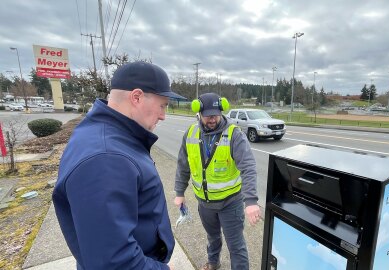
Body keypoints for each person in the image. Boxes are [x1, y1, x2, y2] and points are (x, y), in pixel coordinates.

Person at [53, 61, 185, 270]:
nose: (163, 115)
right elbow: (113, 262)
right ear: (137, 97)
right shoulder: (107, 158)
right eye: (162, 105)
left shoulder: (111, 135)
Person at [174, 92, 261, 270]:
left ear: (222, 111)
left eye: (215, 114)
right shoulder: (190, 133)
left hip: (230, 203)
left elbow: (248, 167)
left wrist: (251, 200)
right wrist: (179, 192)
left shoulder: (234, 135)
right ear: (198, 113)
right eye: (207, 116)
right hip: (204, 203)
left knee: (236, 246)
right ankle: (213, 263)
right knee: (212, 237)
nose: (212, 119)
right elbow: (183, 165)